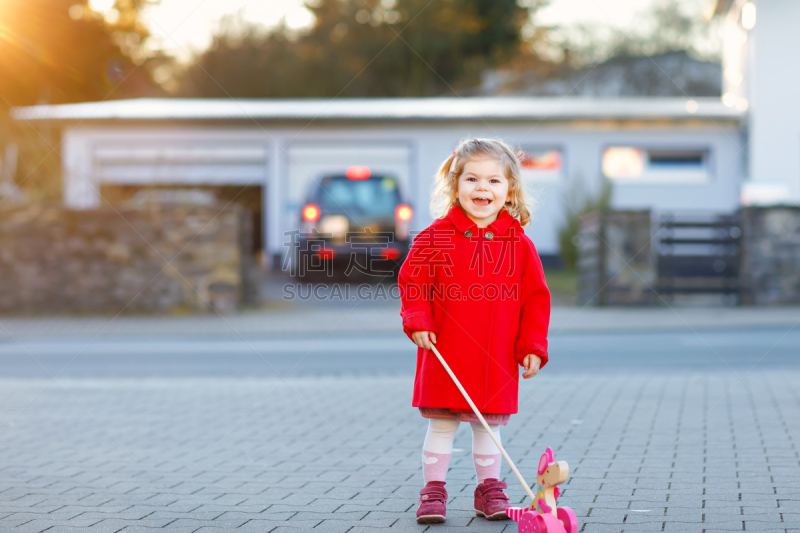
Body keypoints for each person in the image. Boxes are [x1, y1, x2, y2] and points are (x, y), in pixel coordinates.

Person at [398, 138, 551, 524]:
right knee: (443, 423)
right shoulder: (435, 238)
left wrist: (531, 345)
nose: (482, 188)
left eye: (493, 181)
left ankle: (490, 489)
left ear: (509, 189)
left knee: (489, 426)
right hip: (444, 350)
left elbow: (535, 298)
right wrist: (418, 320)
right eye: (472, 179)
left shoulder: (519, 244)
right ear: (455, 185)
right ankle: (433, 492)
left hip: (495, 354)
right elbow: (412, 282)